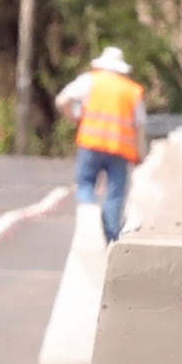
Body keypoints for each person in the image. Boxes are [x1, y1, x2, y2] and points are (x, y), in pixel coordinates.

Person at [54, 45, 144, 242]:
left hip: (91, 144)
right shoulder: (131, 90)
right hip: (120, 149)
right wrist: (139, 155)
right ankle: (111, 235)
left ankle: (90, 220)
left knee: (85, 184)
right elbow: (139, 125)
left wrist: (75, 117)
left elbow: (62, 100)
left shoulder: (90, 80)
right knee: (116, 193)